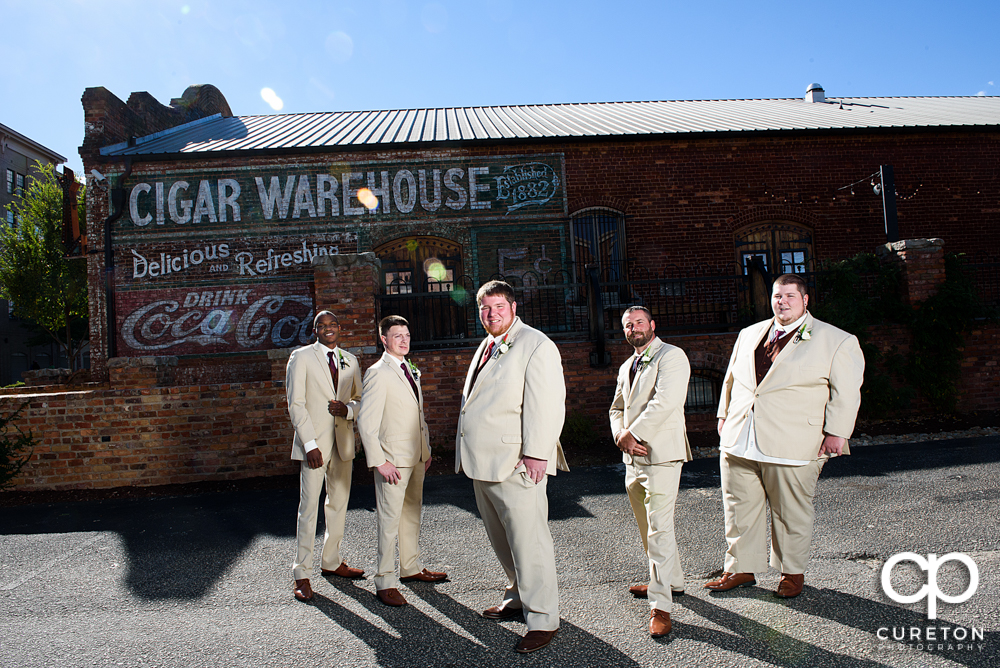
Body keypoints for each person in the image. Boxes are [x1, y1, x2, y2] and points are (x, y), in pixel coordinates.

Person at [706, 274, 864, 598]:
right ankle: (740, 568)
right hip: (741, 438)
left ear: (805, 300)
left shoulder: (836, 340)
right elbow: (731, 377)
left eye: (790, 296)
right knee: (739, 508)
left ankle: (791, 573)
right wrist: (723, 414)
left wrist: (837, 433)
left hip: (793, 440)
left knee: (791, 511)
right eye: (778, 296)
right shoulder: (749, 333)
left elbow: (846, 393)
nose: (783, 302)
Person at [455, 280, 568, 654]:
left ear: (514, 307)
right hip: (481, 463)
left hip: (517, 464)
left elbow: (548, 404)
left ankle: (543, 618)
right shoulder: (487, 344)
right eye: (485, 309)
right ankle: (518, 595)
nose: (492, 314)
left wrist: (537, 453)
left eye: (499, 307)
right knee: (502, 540)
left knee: (529, 542)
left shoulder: (536, 344)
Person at [609, 306, 691, 638]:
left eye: (639, 322)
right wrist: (619, 435)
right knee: (648, 528)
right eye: (628, 325)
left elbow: (666, 401)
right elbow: (616, 407)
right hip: (632, 457)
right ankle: (672, 580)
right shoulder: (627, 365)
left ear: (652, 325)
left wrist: (633, 434)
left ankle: (661, 605)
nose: (634, 328)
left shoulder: (672, 356)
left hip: (660, 455)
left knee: (659, 529)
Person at [358, 316, 447, 607]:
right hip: (392, 461)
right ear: (383, 339)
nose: (404, 340)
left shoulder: (409, 368)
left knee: (411, 514)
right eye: (397, 336)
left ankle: (409, 567)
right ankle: (384, 580)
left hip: (416, 457)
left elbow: (417, 415)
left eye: (407, 335)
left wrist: (427, 448)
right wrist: (379, 461)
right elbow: (366, 422)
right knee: (388, 520)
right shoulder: (377, 372)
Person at [286, 310, 364, 602]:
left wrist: (349, 410)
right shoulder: (302, 357)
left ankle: (331, 561)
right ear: (315, 329)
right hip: (315, 446)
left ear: (339, 328)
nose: (328, 329)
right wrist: (309, 445)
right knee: (308, 510)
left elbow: (360, 398)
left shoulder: (350, 360)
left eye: (333, 325)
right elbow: (296, 404)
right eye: (322, 325)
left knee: (338, 506)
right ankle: (301, 574)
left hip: (343, 443)